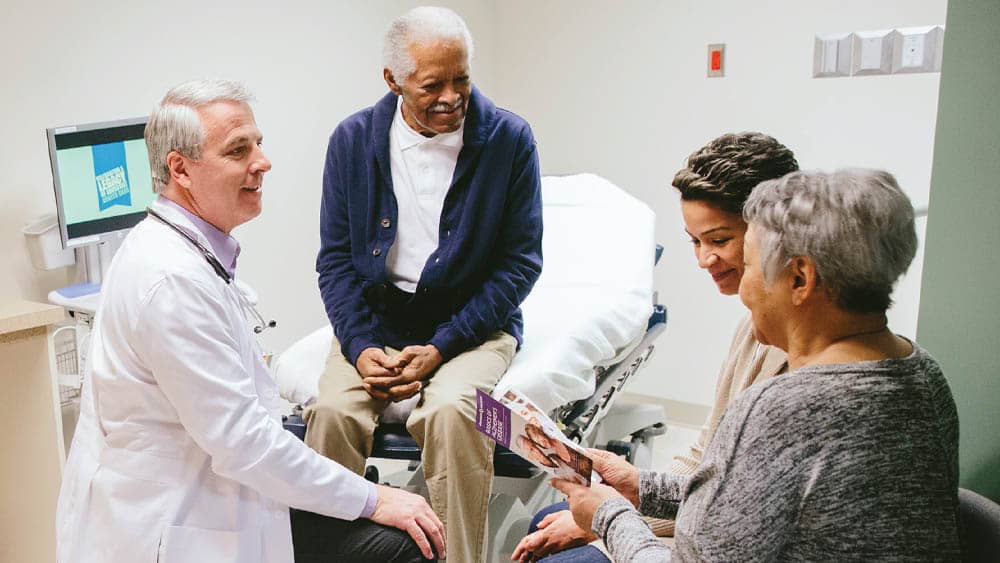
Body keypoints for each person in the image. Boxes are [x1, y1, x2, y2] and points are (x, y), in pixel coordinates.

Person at [55, 79, 444, 563]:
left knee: (376, 512)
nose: (262, 162)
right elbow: (243, 443)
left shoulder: (187, 254)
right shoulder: (170, 279)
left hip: (220, 495)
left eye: (259, 144)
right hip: (178, 528)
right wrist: (376, 499)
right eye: (238, 150)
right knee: (404, 543)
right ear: (181, 168)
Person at [552, 169, 961, 561]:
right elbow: (763, 502)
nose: (743, 290)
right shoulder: (924, 374)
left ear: (800, 278)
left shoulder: (781, 408)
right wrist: (641, 486)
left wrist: (607, 515)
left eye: (748, 266)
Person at [304, 6, 543, 562]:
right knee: (331, 416)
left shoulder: (509, 139)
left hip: (473, 330)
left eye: (462, 79)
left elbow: (520, 265)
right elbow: (335, 261)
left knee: (452, 413)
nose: (452, 97)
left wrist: (441, 348)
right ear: (392, 81)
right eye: (432, 84)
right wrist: (361, 348)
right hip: (376, 324)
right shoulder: (353, 140)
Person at [514, 132, 798, 562]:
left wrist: (609, 519)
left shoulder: (805, 384)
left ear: (775, 234)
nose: (704, 259)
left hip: (697, 546)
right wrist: (634, 487)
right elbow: (709, 458)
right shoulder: (752, 331)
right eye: (695, 242)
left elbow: (726, 527)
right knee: (550, 520)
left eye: (719, 241)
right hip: (698, 524)